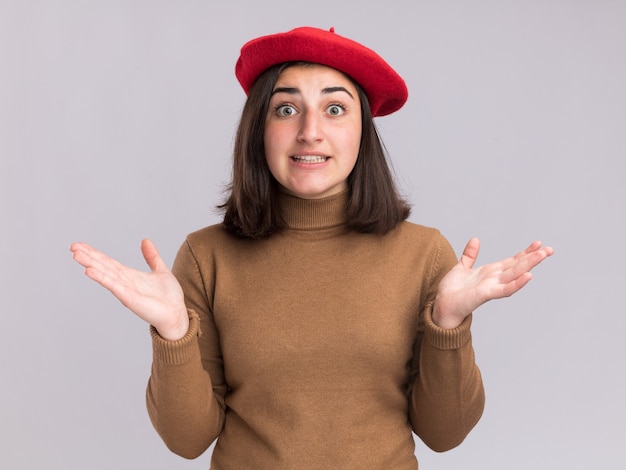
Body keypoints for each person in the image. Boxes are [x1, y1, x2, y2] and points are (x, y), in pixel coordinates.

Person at [70, 26, 553, 469]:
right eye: (286, 109)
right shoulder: (205, 256)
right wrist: (173, 332)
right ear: (259, 129)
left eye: (335, 108)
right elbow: (188, 440)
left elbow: (445, 435)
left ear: (363, 132)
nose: (310, 130)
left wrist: (448, 324)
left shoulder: (424, 254)